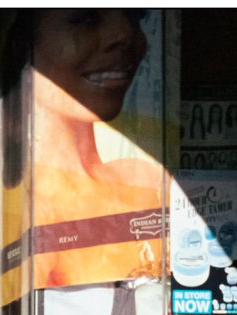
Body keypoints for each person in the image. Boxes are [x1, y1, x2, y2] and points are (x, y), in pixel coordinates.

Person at [22, 9, 164, 287]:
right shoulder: (10, 205)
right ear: (24, 45)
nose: (124, 35)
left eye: (135, 16)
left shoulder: (149, 181)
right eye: (83, 18)